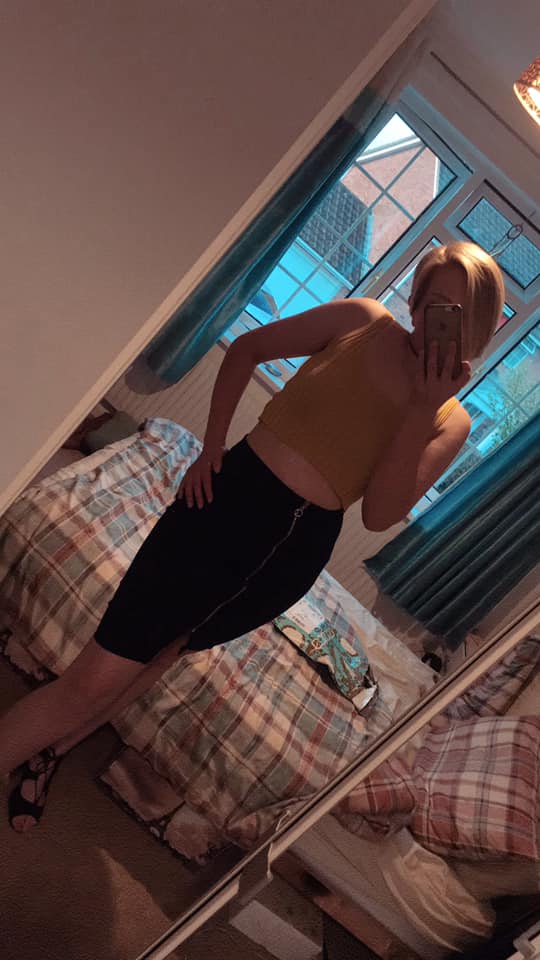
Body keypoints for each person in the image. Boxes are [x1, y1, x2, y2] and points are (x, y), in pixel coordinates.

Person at [2, 241, 504, 831]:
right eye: (434, 303)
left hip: (292, 555)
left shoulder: (450, 420)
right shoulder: (361, 321)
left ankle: (50, 752)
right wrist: (211, 449)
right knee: (96, 674)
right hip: (225, 503)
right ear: (416, 301)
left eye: (458, 315)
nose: (437, 321)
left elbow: (379, 513)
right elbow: (247, 350)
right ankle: (39, 741)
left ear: (478, 330)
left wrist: (422, 409)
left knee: (166, 654)